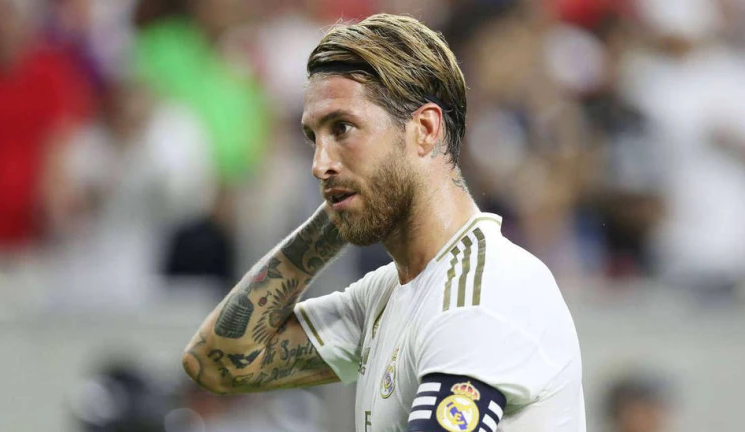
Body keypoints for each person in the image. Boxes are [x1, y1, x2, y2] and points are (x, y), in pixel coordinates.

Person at [182, 14, 585, 432]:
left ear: (425, 129)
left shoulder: (486, 292)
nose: (319, 164)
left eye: (342, 128)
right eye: (314, 138)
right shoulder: (384, 294)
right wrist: (336, 213)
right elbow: (217, 363)